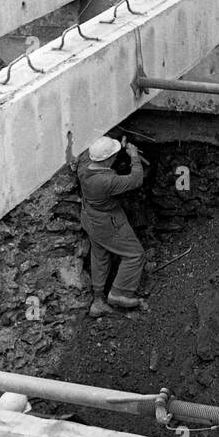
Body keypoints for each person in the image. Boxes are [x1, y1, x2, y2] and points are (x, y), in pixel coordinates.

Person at [75, 134, 147, 316]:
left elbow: (101, 158)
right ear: (108, 159)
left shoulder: (84, 168)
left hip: (90, 217)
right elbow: (136, 179)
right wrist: (134, 156)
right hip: (108, 223)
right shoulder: (107, 181)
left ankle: (98, 300)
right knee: (134, 254)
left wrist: (118, 148)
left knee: (100, 255)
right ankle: (120, 293)